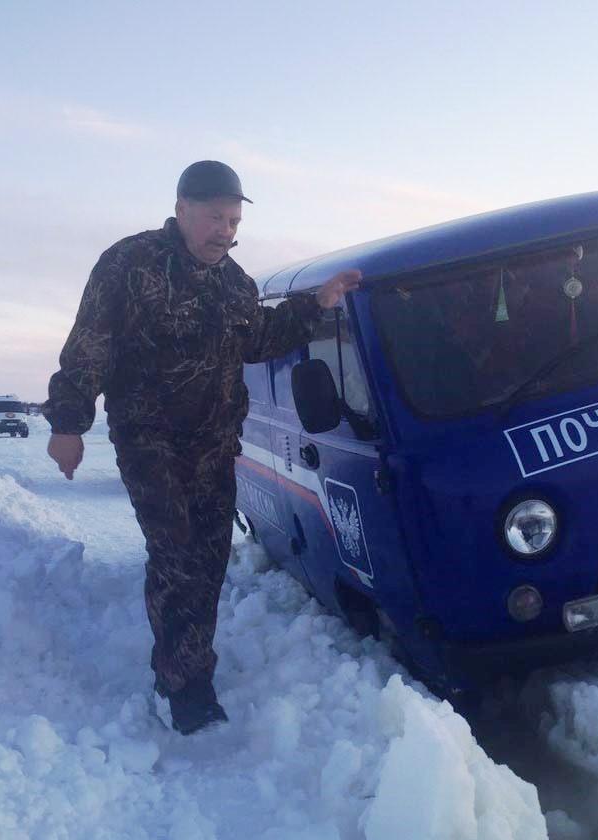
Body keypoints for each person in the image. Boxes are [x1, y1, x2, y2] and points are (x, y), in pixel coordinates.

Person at [43, 161, 361, 734]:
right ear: (183, 208)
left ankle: (191, 665)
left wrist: (317, 306)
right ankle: (183, 687)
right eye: (216, 216)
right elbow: (90, 344)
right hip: (151, 441)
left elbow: (259, 337)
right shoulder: (130, 264)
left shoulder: (233, 282)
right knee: (177, 553)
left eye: (234, 219)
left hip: (216, 442)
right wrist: (67, 423)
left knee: (209, 560)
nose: (226, 230)